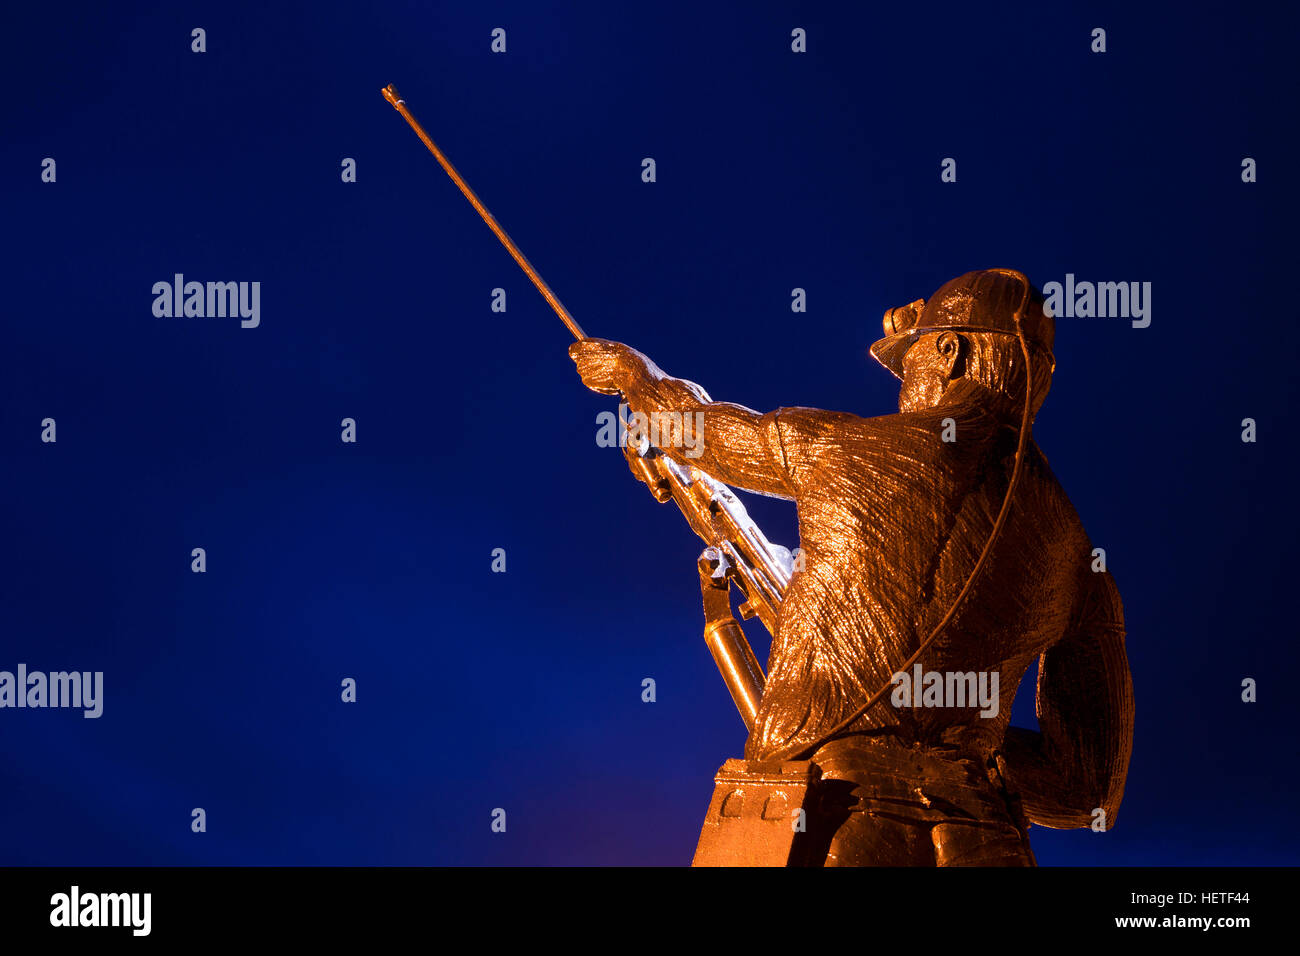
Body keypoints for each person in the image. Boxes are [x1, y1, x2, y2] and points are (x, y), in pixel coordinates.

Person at [571, 269, 1134, 865]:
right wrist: (961, 758)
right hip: (984, 841)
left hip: (831, 821)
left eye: (910, 360)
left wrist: (638, 379)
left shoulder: (843, 449)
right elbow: (1085, 793)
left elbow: (699, 432)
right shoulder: (1080, 561)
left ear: (950, 351)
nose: (904, 383)